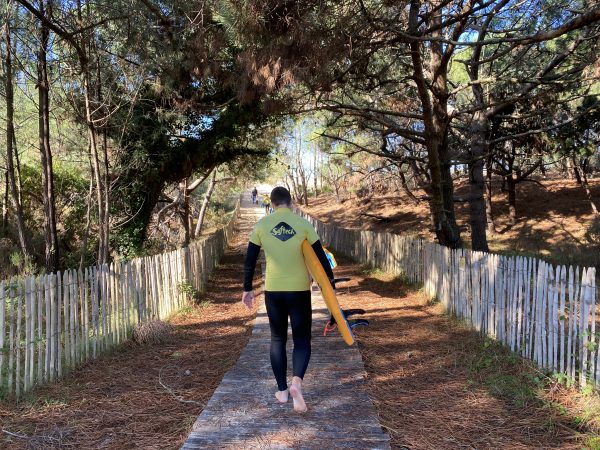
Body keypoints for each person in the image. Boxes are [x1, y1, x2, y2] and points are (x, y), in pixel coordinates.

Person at [242, 186, 335, 413]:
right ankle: (296, 383)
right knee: (302, 339)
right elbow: (321, 257)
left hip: (273, 291)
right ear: (290, 202)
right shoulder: (303, 224)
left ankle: (282, 391)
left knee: (277, 339)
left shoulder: (261, 226)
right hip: (299, 290)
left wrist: (247, 289)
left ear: (272, 203)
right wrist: (330, 283)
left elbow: (250, 261)